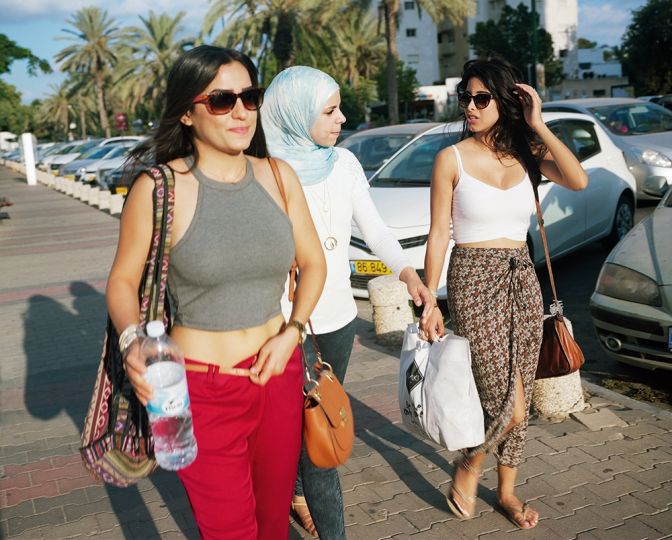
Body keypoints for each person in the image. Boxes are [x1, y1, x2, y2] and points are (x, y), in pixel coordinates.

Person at [106, 46, 326, 540]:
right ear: (187, 111)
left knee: (273, 525)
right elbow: (121, 281)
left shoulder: (278, 175)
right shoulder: (159, 188)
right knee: (229, 530)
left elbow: (314, 264)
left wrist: (291, 332)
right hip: (199, 391)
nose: (242, 111)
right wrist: (132, 342)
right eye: (223, 100)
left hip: (279, 377)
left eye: (251, 96)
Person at [261, 66, 435, 539]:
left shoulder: (344, 163)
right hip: (284, 326)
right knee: (320, 449)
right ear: (294, 113)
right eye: (330, 110)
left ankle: (298, 493)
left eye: (340, 108)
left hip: (338, 322)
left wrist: (408, 275)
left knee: (315, 422)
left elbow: (374, 229)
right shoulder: (262, 170)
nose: (342, 119)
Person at [421, 55, 588, 529]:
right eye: (464, 99)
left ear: (506, 101)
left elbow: (578, 179)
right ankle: (470, 465)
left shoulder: (527, 154)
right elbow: (438, 234)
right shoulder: (449, 158)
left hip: (522, 276)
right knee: (507, 398)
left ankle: (508, 492)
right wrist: (430, 299)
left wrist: (540, 124)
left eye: (480, 98)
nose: (469, 107)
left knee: (522, 389)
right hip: (474, 277)